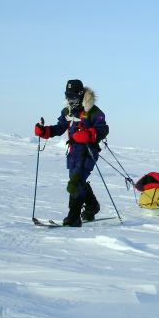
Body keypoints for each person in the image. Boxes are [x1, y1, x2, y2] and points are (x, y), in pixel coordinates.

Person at [34, 79, 109, 227]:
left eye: (73, 96)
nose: (70, 99)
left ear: (81, 95)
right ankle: (92, 206)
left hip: (88, 151)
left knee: (75, 182)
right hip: (73, 152)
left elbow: (104, 129)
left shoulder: (94, 111)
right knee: (76, 181)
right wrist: (45, 131)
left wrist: (89, 134)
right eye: (67, 96)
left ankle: (73, 217)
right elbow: (60, 127)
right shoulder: (67, 111)